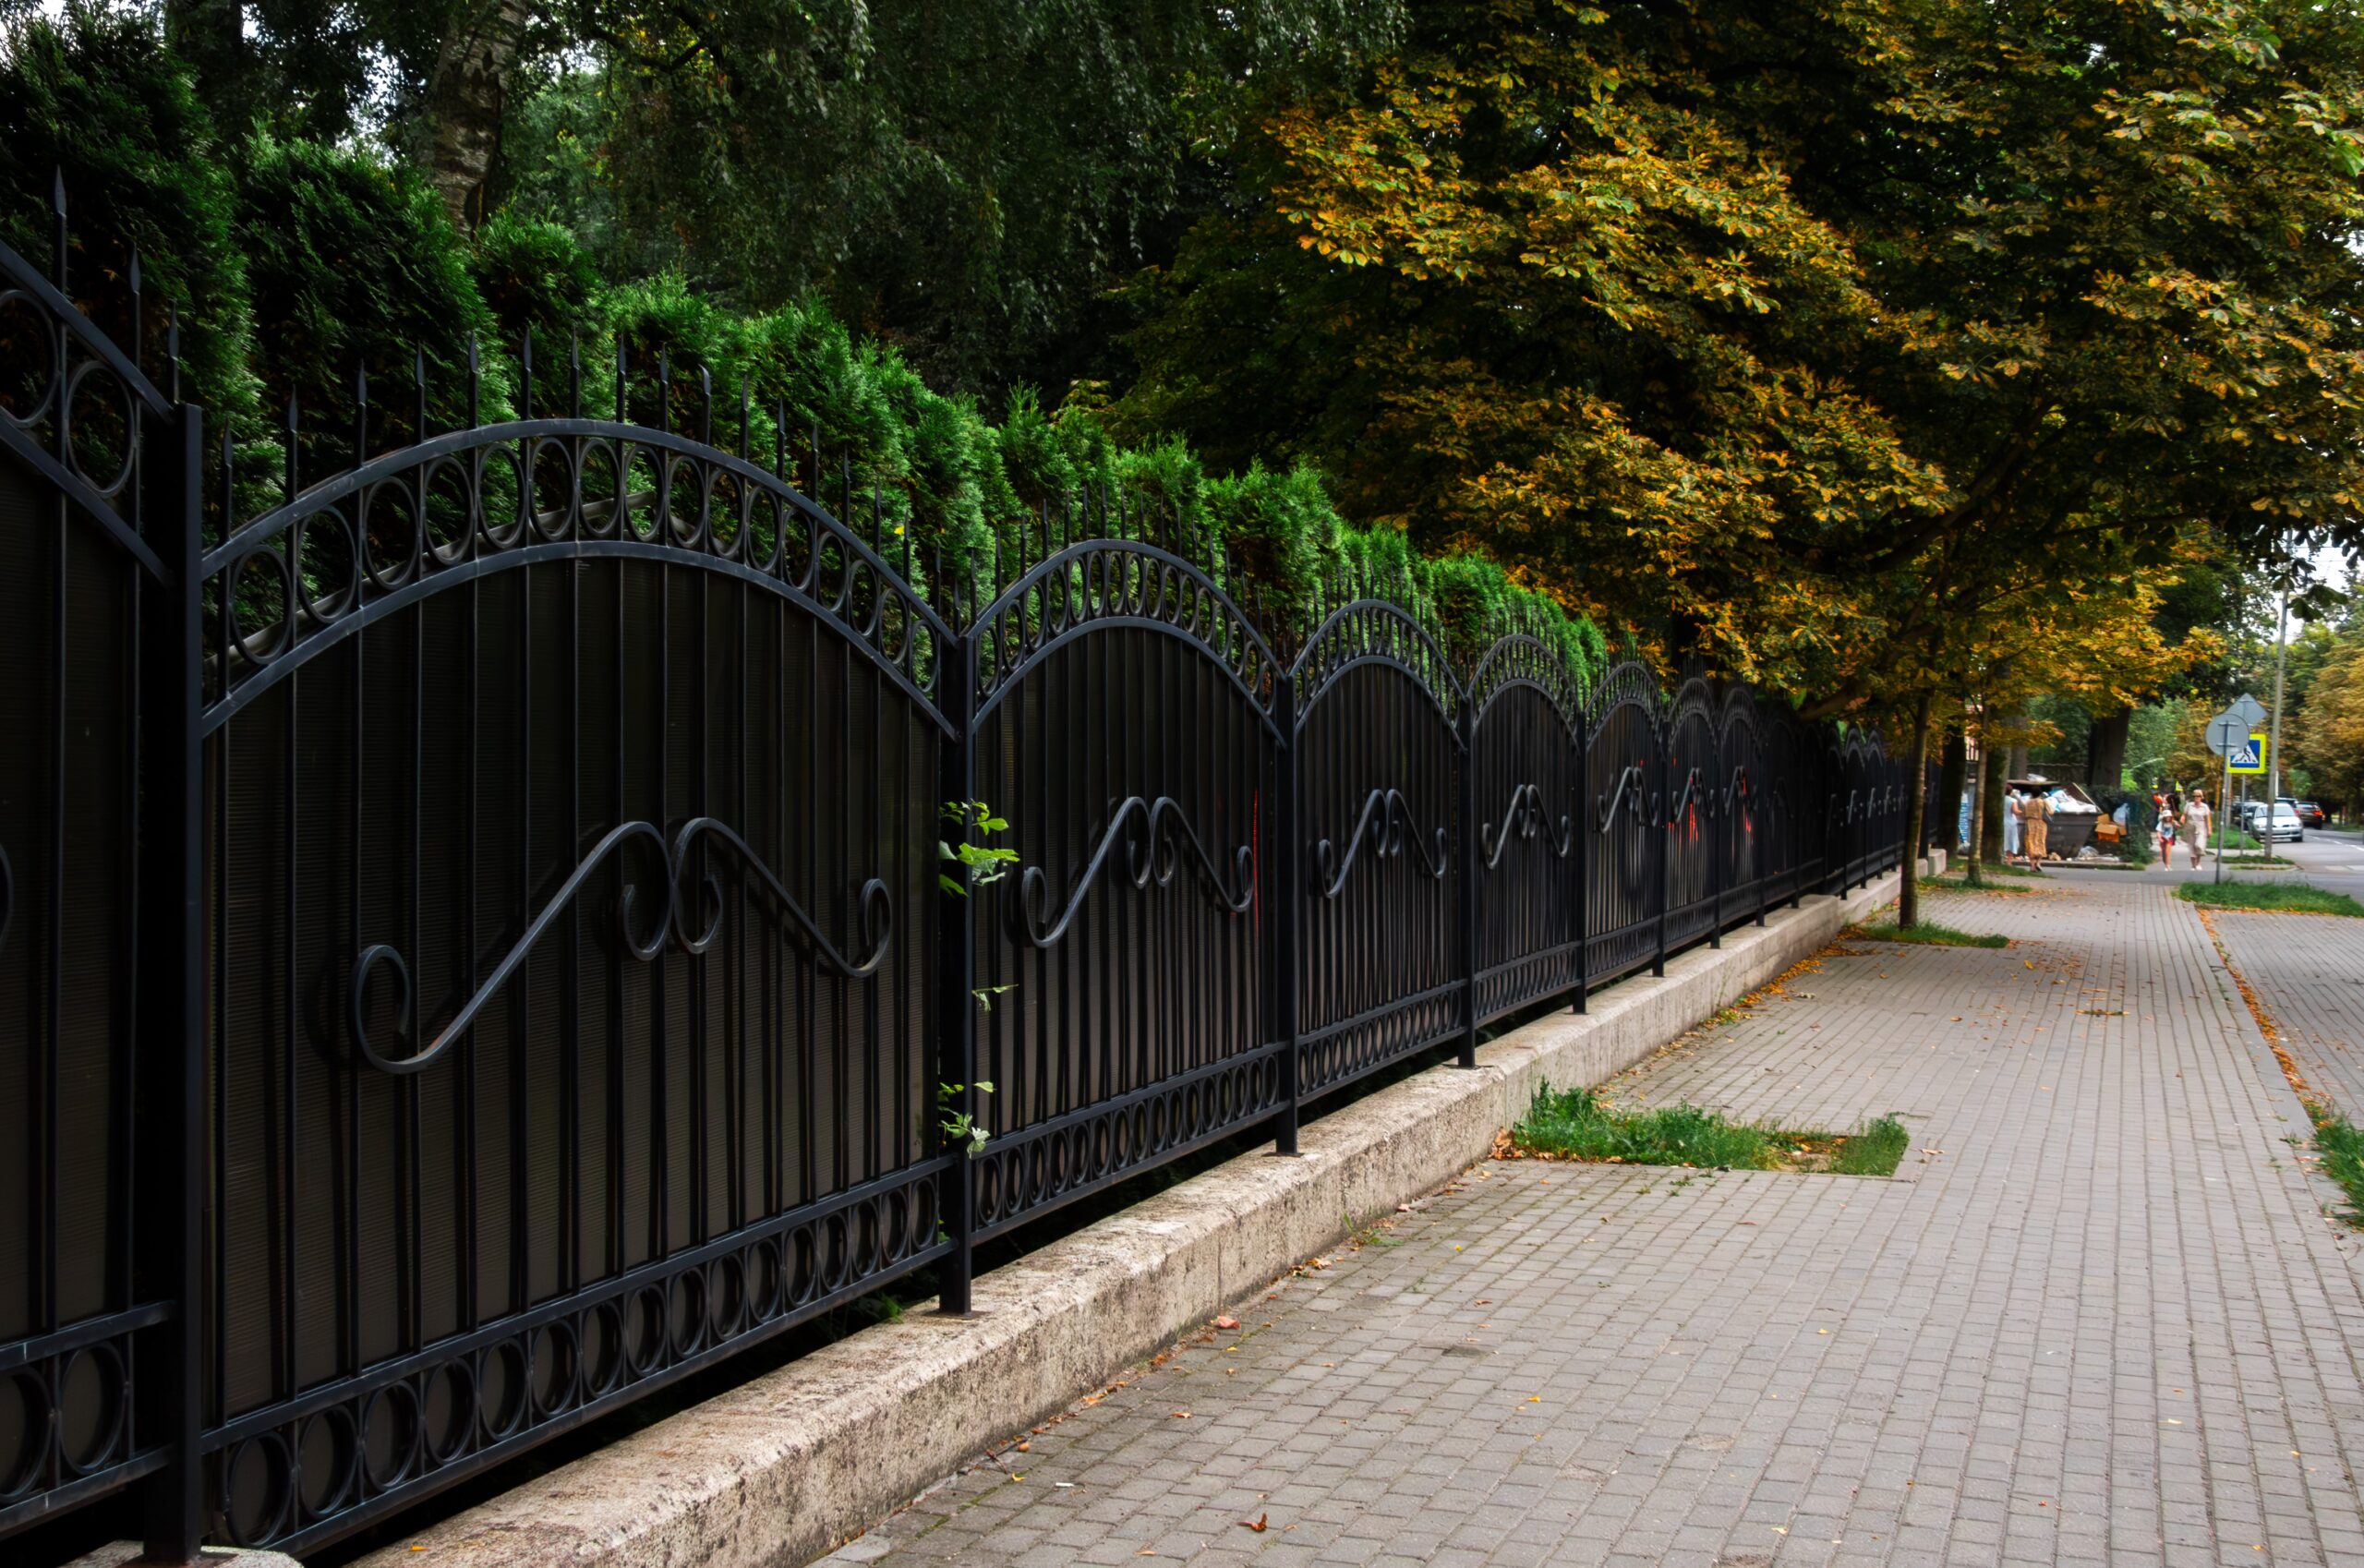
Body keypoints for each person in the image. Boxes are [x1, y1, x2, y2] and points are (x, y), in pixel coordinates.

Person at [2183, 790, 2213, 869]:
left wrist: (2209, 830)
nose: (2196, 798)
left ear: (2201, 797)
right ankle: (2193, 865)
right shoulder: (2189, 805)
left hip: (2201, 828)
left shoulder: (2205, 807)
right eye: (2194, 796)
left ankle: (2198, 863)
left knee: (2199, 845)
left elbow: (2208, 820)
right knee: (2192, 846)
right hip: (2191, 827)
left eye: (2198, 796)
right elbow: (2184, 815)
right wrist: (2182, 819)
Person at [2024, 787, 2051, 869]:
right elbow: (2051, 812)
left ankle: (2032, 866)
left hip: (2030, 823)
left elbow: (2024, 814)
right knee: (2040, 842)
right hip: (2041, 824)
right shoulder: (2043, 802)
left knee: (2030, 843)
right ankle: (2038, 863)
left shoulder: (2027, 803)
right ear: (2040, 794)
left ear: (2031, 794)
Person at [2004, 788, 2023, 864]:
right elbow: (2015, 811)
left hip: (2001, 821)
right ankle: (2009, 861)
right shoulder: (2013, 800)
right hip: (2010, 823)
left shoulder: (2000, 800)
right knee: (2010, 841)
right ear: (2011, 792)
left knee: (2003, 840)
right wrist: (2023, 811)